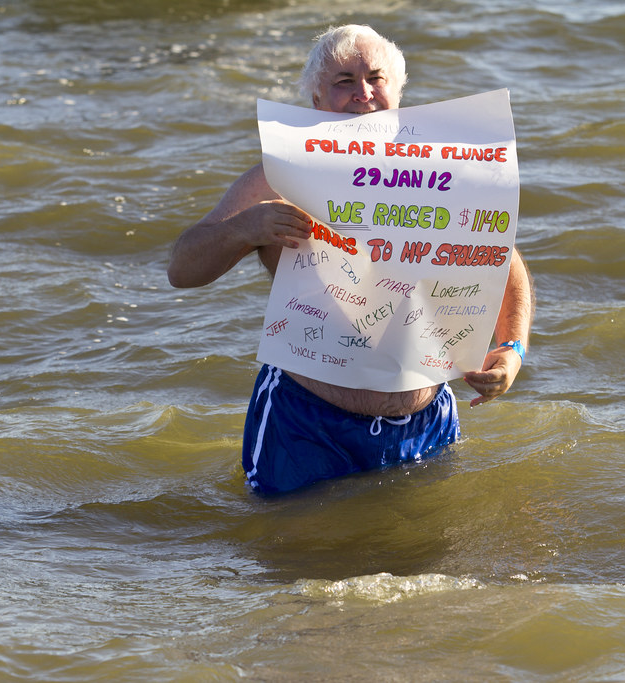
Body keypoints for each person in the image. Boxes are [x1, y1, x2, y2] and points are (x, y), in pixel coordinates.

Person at [167, 24, 534, 494]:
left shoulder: (442, 171)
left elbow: (500, 257)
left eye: (375, 79)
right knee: (295, 559)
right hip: (307, 423)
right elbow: (182, 269)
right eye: (343, 81)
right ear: (317, 100)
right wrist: (246, 228)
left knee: (424, 558)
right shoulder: (280, 175)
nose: (362, 94)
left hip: (426, 424)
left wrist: (512, 349)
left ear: (397, 93)